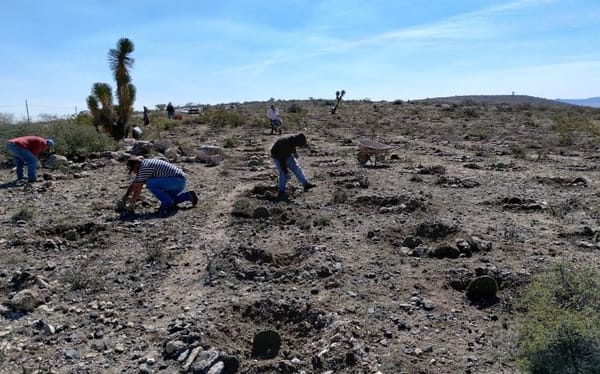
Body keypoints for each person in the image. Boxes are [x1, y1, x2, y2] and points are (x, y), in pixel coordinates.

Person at [119, 156, 198, 214]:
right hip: (178, 181)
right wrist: (125, 197)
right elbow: (134, 183)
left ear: (136, 165)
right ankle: (188, 196)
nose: (134, 172)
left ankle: (168, 203)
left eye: (133, 169)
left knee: (149, 183)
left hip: (175, 181)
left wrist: (132, 204)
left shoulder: (144, 168)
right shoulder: (145, 163)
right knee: (170, 200)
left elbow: (138, 187)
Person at [270, 133, 316, 200]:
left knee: (297, 168)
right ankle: (281, 191)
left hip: (287, 154)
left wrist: (295, 153)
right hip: (278, 156)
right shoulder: (285, 144)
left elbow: (293, 145)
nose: (300, 146)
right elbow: (282, 160)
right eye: (300, 145)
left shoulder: (293, 139)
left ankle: (306, 185)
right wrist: (286, 171)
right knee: (283, 173)